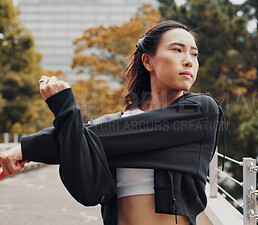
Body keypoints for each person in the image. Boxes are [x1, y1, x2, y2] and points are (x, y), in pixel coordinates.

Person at [0, 20, 226, 225]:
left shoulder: (201, 111)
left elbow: (89, 137)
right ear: (148, 61)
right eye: (177, 50)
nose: (189, 61)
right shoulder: (113, 123)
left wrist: (30, 144)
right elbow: (82, 151)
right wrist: (64, 124)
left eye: (195, 54)